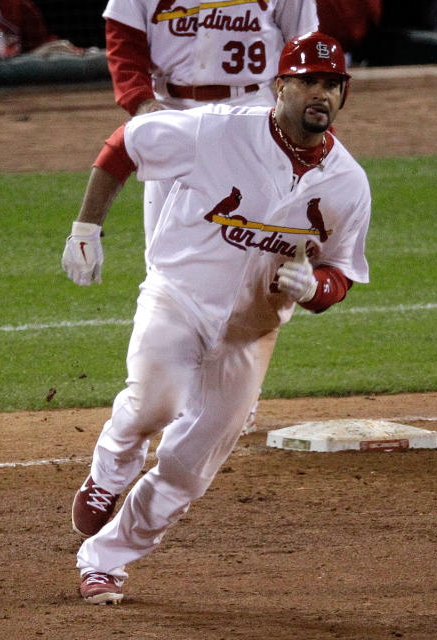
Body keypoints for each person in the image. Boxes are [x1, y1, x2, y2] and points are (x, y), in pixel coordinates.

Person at [61, 31, 371, 605]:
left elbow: (343, 275)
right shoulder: (217, 130)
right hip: (177, 298)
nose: (320, 94)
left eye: (331, 84)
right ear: (281, 86)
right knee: (154, 403)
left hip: (250, 335)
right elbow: (125, 143)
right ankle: (112, 464)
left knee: (188, 468)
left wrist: (313, 288)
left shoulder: (348, 184)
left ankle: (106, 561)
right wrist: (87, 227)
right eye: (308, 82)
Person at [102, 0, 319, 433]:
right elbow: (123, 38)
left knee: (250, 263)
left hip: (256, 119)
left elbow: (304, 44)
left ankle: (235, 393)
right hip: (172, 117)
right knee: (166, 265)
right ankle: (166, 390)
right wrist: (142, 103)